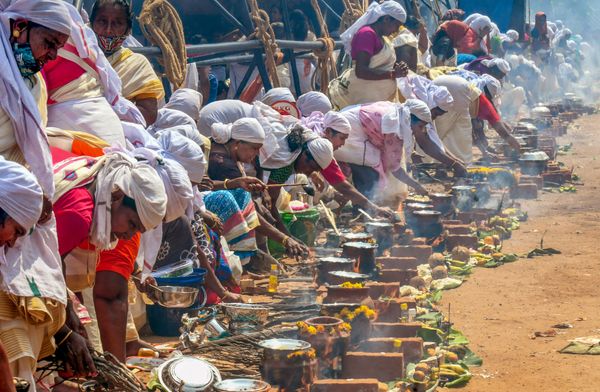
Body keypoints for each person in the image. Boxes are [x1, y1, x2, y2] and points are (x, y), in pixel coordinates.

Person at [0, 0, 89, 386]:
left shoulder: (33, 83)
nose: (51, 56)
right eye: (47, 42)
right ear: (19, 27)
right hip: (8, 202)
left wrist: (30, 197)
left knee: (35, 308)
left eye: (58, 47)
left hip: (17, 207)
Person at [206, 118, 308, 263]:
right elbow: (248, 211)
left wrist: (262, 192)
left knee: (259, 207)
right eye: (254, 148)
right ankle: (249, 260)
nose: (257, 153)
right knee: (255, 209)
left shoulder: (229, 150)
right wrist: (285, 239)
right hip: (209, 214)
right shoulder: (223, 163)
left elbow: (255, 169)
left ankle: (258, 257)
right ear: (237, 144)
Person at [334, 99, 453, 199]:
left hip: (344, 129)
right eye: (420, 126)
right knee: (371, 170)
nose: (420, 131)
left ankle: (363, 205)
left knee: (371, 165)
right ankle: (366, 210)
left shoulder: (396, 112)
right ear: (410, 119)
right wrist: (417, 186)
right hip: (345, 135)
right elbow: (394, 168)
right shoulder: (393, 125)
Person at [90, 0, 165, 125]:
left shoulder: (137, 64)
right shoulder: (75, 52)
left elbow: (149, 114)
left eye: (117, 23)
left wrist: (102, 115)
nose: (108, 30)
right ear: (91, 24)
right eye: (102, 21)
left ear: (127, 30)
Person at [329, 1, 407, 108]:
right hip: (361, 100)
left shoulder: (383, 38)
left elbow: (381, 65)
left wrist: (399, 68)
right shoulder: (367, 34)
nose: (396, 31)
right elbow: (361, 71)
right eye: (397, 26)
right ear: (386, 19)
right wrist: (393, 74)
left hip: (375, 101)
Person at [260, 123, 334, 234]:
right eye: (311, 168)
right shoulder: (285, 165)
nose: (308, 173)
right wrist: (287, 237)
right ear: (304, 154)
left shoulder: (295, 152)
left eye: (313, 171)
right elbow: (270, 205)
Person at [432, 75, 520, 163]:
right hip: (455, 89)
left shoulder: (474, 99)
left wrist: (484, 151)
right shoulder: (484, 105)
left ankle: (437, 162)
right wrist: (510, 139)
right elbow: (497, 126)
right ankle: (462, 163)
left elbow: (476, 131)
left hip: (438, 84)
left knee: (438, 128)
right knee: (461, 133)